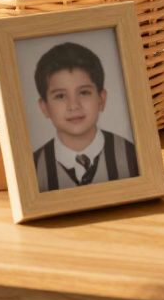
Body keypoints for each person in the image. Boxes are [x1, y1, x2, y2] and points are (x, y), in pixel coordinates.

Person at [31, 41, 139, 192]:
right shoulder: (32, 168)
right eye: (60, 96)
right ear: (45, 107)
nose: (74, 105)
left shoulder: (133, 156)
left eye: (84, 93)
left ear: (101, 99)